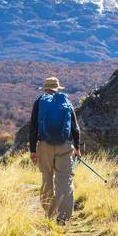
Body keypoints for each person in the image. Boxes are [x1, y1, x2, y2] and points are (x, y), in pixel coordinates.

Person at [29, 76, 81, 224]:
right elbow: (75, 128)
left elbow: (33, 128)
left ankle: (50, 215)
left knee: (47, 178)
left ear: (45, 88)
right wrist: (77, 147)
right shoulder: (66, 102)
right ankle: (63, 218)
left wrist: (33, 150)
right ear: (57, 88)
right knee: (64, 180)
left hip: (44, 146)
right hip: (65, 145)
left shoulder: (39, 102)